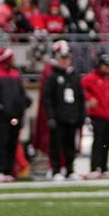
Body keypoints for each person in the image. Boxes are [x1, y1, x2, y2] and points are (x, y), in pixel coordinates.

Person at [0, 47, 30, 182]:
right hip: (1, 116)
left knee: (12, 142)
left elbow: (21, 93)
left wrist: (24, 104)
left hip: (15, 115)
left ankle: (9, 170)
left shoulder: (15, 74)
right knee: (1, 142)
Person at [41, 40, 85, 181]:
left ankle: (70, 169)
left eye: (67, 58)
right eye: (62, 58)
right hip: (59, 117)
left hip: (71, 116)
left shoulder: (74, 76)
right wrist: (51, 116)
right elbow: (47, 99)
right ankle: (56, 169)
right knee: (56, 146)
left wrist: (81, 115)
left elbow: (80, 97)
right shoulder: (52, 77)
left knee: (70, 146)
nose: (65, 61)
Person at [81, 51, 109, 178]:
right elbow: (80, 88)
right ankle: (95, 167)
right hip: (98, 115)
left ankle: (104, 167)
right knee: (98, 141)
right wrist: (89, 98)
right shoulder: (91, 78)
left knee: (107, 142)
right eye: (105, 65)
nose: (108, 68)